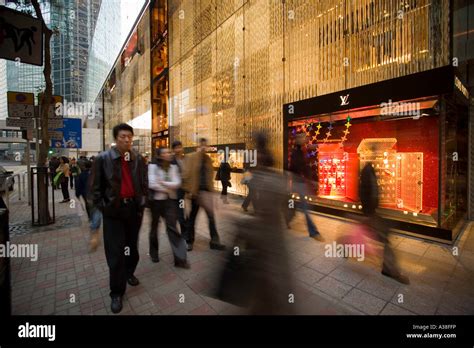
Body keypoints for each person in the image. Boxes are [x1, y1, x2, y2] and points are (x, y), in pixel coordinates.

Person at [90, 123, 147, 314]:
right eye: (123, 136)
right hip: (113, 212)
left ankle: (129, 272)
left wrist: (142, 203)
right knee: (115, 253)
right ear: (116, 138)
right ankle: (116, 292)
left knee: (132, 247)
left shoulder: (138, 158)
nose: (127, 139)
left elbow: (144, 183)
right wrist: (105, 208)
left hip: (133, 210)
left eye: (129, 136)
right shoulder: (102, 159)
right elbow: (94, 191)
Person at [359, 160, 410, 285]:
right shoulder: (367, 172)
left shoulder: (369, 172)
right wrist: (368, 211)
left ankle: (388, 268)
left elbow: (370, 193)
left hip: (372, 212)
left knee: (375, 235)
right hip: (370, 212)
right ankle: (390, 270)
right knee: (383, 238)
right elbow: (365, 193)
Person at [148, 147, 190, 268]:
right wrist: (167, 188)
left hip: (169, 202)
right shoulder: (153, 166)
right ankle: (153, 253)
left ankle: (180, 259)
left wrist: (163, 183)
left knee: (172, 227)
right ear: (160, 155)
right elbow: (152, 183)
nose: (168, 154)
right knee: (154, 227)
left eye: (169, 152)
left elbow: (177, 183)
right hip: (155, 202)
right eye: (165, 153)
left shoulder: (173, 167)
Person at [182, 138, 225, 252]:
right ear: (198, 146)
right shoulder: (191, 157)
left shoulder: (208, 160)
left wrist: (212, 193)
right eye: (202, 146)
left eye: (205, 146)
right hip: (195, 194)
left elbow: (210, 178)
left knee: (211, 218)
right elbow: (185, 175)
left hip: (206, 194)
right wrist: (189, 191)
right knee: (192, 219)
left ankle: (215, 241)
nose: (203, 148)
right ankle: (189, 241)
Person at [288, 133, 323, 241]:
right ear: (298, 140)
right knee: (304, 207)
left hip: (299, 182)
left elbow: (303, 167)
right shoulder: (297, 152)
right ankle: (313, 232)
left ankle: (287, 219)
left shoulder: (301, 151)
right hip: (298, 183)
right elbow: (300, 167)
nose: (305, 139)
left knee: (298, 205)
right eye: (302, 138)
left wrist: (311, 180)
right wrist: (310, 180)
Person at [76, 159, 102, 252]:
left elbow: (78, 188)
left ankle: (94, 232)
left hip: (89, 197)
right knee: (97, 213)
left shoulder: (81, 176)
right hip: (98, 198)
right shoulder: (97, 174)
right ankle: (95, 232)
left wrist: (78, 195)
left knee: (93, 212)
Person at [171, 140, 187, 235]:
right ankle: (182, 233)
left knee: (181, 212)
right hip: (175, 191)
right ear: (173, 149)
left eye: (179, 147)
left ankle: (184, 232)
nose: (178, 149)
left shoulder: (185, 159)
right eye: (176, 148)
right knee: (179, 213)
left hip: (184, 191)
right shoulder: (171, 160)